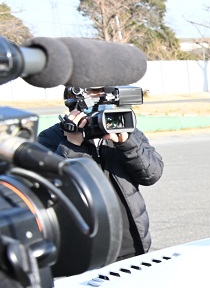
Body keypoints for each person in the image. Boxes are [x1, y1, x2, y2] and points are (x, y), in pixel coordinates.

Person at [38, 89, 164, 261]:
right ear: (71, 99)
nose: (99, 100)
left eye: (103, 93)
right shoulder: (51, 138)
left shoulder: (126, 129)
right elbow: (50, 191)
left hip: (132, 246)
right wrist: (72, 145)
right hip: (85, 252)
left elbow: (151, 174)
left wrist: (127, 144)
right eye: (93, 93)